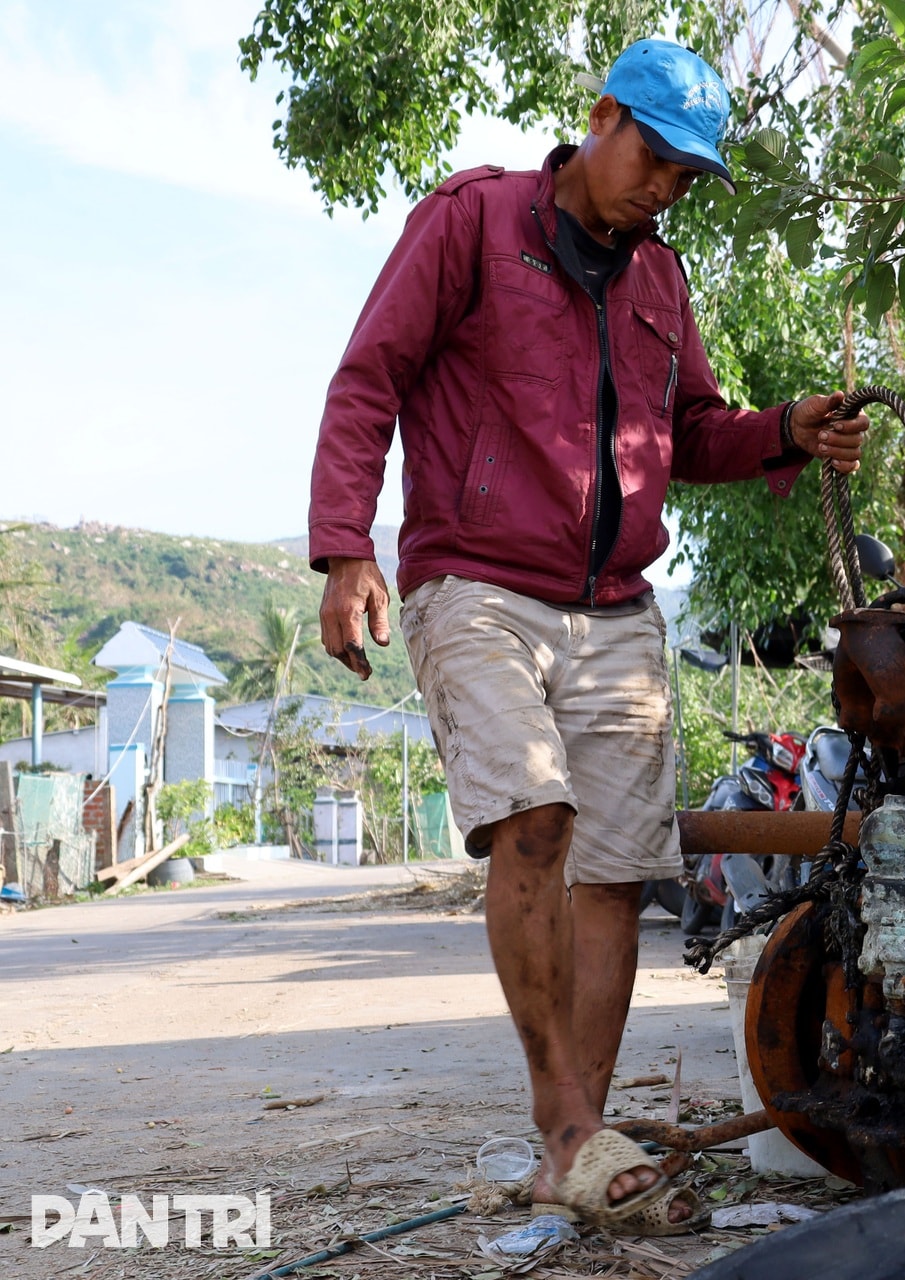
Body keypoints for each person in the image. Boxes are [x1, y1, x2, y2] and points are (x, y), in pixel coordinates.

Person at [304, 38, 869, 1232]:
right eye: (655, 159)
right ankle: (564, 1124)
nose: (665, 189)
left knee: (616, 867)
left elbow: (689, 434)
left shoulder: (659, 280)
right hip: (478, 581)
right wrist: (346, 544)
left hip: (614, 601)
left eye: (686, 176)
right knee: (537, 817)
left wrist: (785, 427)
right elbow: (368, 380)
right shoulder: (473, 222)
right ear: (603, 116)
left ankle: (585, 1146)